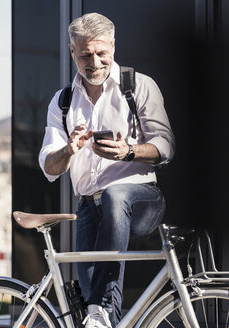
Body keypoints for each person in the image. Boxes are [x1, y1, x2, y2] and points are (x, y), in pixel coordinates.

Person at [38, 12, 175, 328]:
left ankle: (98, 305)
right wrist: (69, 149)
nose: (95, 62)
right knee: (100, 318)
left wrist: (129, 151)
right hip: (89, 210)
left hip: (141, 200)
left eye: (102, 53)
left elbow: (166, 145)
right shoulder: (62, 102)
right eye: (85, 55)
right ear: (73, 51)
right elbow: (49, 166)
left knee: (115, 196)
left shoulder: (138, 86)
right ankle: (100, 310)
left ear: (113, 45)